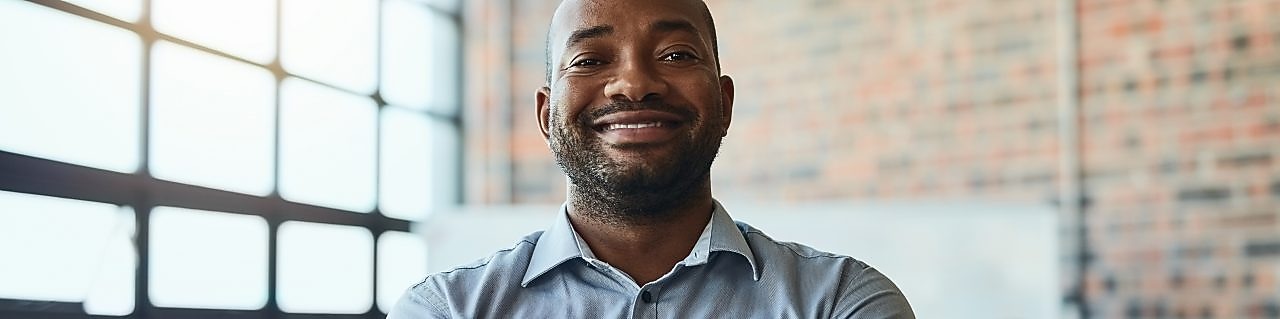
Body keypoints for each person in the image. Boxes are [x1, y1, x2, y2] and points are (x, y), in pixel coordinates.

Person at [388, 0, 915, 317]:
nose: (635, 84)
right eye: (590, 59)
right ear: (547, 115)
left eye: (676, 55)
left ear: (724, 103)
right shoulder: (447, 310)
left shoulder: (841, 303)